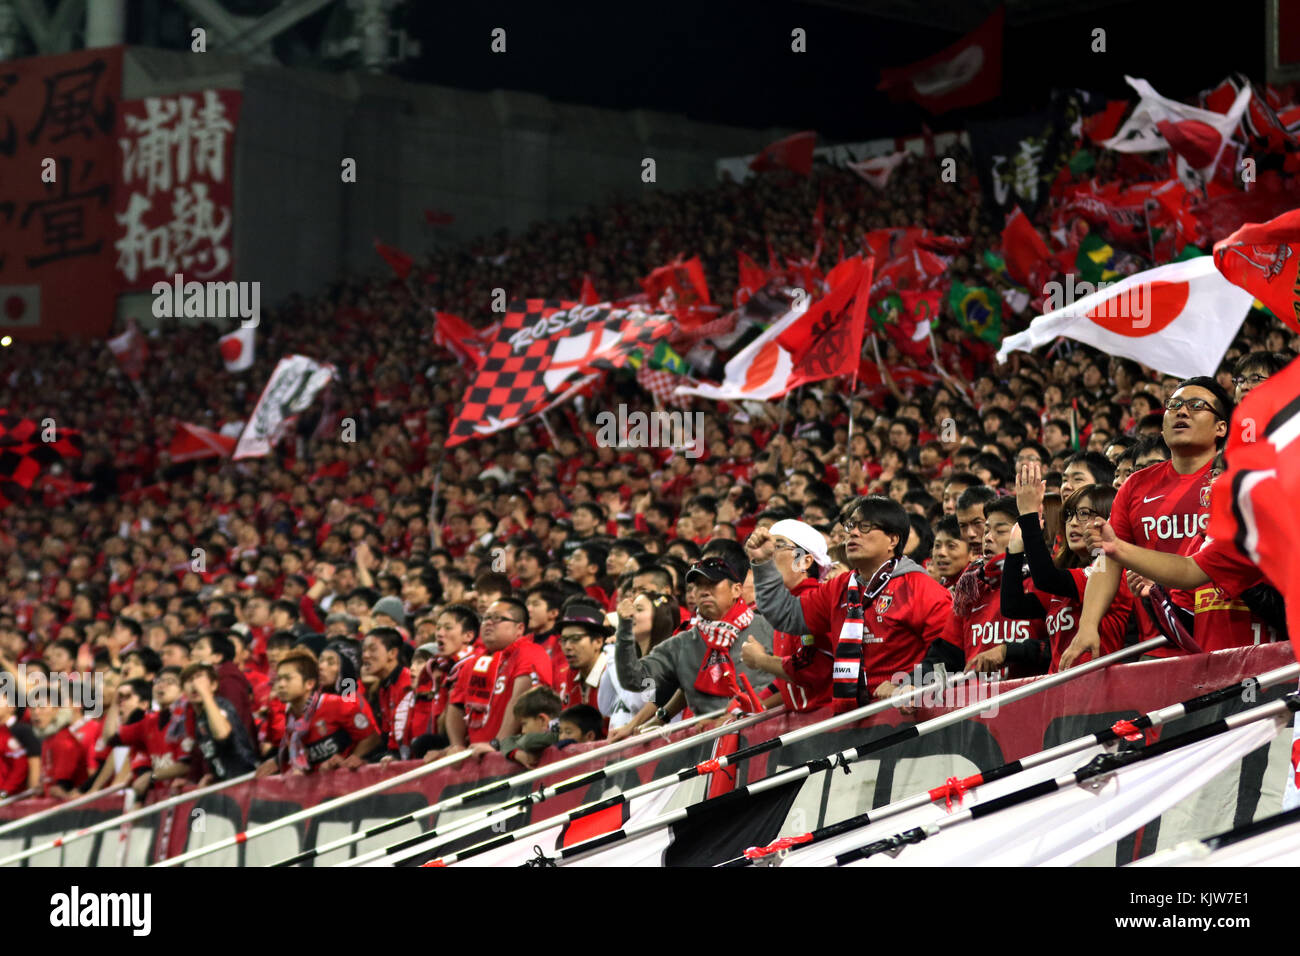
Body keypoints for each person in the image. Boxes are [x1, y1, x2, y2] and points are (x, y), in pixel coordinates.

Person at [1064, 378, 1231, 669]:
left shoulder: (1233, 479)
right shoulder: (1135, 486)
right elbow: (1106, 559)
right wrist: (1088, 624)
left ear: (1221, 427)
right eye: (1174, 405)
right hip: (1157, 648)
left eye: (1196, 406)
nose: (1181, 412)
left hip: (1228, 641)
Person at [749, 496, 957, 712]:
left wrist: (909, 685)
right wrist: (763, 564)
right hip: (852, 720)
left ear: (893, 540)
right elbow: (787, 615)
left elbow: (949, 655)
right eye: (851, 526)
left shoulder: (922, 588)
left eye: (865, 526)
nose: (853, 533)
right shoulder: (839, 586)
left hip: (903, 719)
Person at [615, 540, 773, 717]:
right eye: (698, 586)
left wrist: (736, 713)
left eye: (712, 584)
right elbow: (635, 680)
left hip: (768, 731)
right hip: (711, 740)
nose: (704, 591)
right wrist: (624, 630)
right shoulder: (681, 644)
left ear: (736, 590)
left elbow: (793, 676)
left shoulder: (768, 626)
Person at [999, 463, 1133, 672]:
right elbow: (1013, 606)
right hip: (1060, 692)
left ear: (1108, 518)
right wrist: (1015, 548)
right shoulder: (1065, 585)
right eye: (1069, 515)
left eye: (1084, 513)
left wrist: (1029, 516)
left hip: (1098, 691)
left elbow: (1046, 577)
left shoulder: (1110, 573)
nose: (1073, 522)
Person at [947, 497, 1051, 679]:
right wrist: (910, 683)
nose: (987, 538)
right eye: (986, 531)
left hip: (1031, 700)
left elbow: (1059, 646)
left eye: (1000, 531)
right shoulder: (971, 586)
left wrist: (1009, 651)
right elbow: (946, 654)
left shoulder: (1047, 581)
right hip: (978, 702)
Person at [738, 519, 832, 713]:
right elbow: (786, 677)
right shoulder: (785, 607)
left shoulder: (813, 601)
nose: (769, 552)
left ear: (804, 560)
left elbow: (815, 670)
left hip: (831, 722)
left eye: (778, 545)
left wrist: (761, 660)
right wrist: (756, 702)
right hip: (809, 722)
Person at [257, 650, 381, 775]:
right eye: (278, 679)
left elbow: (372, 738)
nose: (281, 685)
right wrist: (278, 761)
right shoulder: (290, 717)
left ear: (309, 683)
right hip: (320, 789)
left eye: (288, 679)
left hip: (352, 784)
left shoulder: (337, 705)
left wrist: (350, 759)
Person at [181, 663, 259, 783]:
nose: (195, 685)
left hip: (245, 781)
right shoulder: (199, 718)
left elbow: (222, 734)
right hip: (225, 785)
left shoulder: (220, 705)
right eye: (190, 680)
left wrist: (206, 694)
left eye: (199, 678)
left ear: (213, 685)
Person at [361, 627, 412, 758]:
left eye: (372, 649)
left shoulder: (407, 683)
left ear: (392, 653)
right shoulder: (383, 687)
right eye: (364, 650)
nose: (365, 655)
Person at [554, 604, 611, 714]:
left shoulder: (612, 675)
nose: (567, 647)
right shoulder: (572, 674)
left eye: (575, 639)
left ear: (598, 642)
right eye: (564, 640)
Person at [0, 696, 40, 797]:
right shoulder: (3, 732)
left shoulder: (23, 730)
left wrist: (4, 792)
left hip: (14, 797)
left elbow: (29, 764)